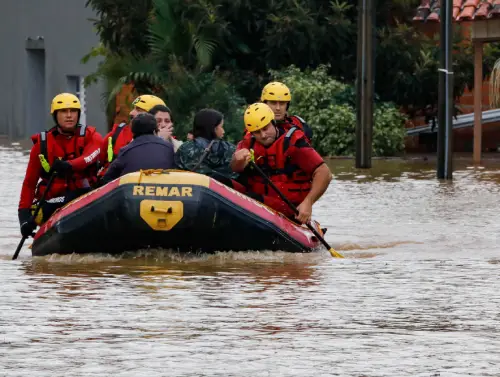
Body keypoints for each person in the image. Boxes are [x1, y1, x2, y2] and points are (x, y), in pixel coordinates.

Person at [18, 93, 103, 237]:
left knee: (76, 197)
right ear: (55, 115)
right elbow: (29, 184)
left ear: (78, 114)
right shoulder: (41, 146)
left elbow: (89, 157)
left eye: (73, 111)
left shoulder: (92, 136)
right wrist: (24, 218)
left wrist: (69, 165)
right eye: (64, 111)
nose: (69, 115)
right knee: (36, 214)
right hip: (54, 199)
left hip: (85, 194)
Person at [231, 103, 332, 224]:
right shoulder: (248, 143)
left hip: (285, 206)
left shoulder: (293, 143)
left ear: (273, 122)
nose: (263, 135)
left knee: (248, 199)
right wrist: (237, 160)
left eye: (265, 128)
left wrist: (308, 203)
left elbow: (324, 172)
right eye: (257, 132)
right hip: (258, 197)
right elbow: (235, 168)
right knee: (219, 179)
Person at [98, 94, 167, 179]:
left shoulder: (169, 143)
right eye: (134, 108)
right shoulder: (116, 133)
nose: (131, 113)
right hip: (116, 187)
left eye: (139, 110)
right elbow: (97, 162)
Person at [101, 113, 175, 184]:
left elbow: (107, 179)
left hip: (132, 194)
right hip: (163, 194)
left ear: (133, 132)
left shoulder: (126, 151)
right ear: (155, 130)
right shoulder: (168, 148)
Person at [175, 109, 238, 182]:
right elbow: (235, 174)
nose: (223, 131)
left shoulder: (185, 148)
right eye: (221, 126)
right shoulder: (228, 148)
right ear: (213, 128)